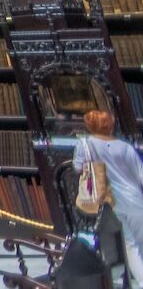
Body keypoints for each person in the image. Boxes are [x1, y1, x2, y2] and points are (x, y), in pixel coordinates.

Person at [74, 109, 143, 284]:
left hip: (113, 200)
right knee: (140, 242)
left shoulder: (85, 144)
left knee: (130, 244)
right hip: (136, 199)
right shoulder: (126, 146)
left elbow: (78, 167)